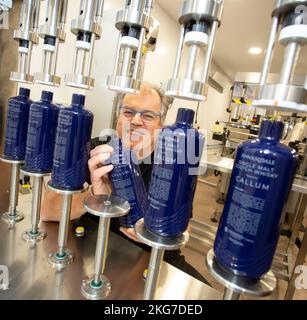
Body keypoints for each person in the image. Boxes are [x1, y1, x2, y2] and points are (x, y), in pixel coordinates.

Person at [41, 83, 210, 285]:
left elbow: (184, 229)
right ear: (118, 117)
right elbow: (47, 211)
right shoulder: (94, 150)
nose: (136, 121)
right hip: (96, 250)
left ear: (161, 124)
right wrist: (93, 197)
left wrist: (156, 236)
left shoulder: (176, 161)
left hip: (154, 257)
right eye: (128, 112)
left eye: (148, 116)